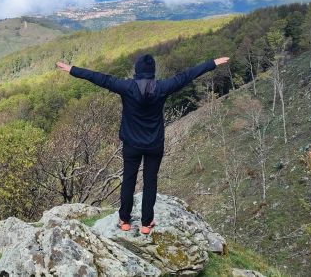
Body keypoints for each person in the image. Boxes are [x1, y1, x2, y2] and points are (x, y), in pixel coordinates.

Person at [56, 54, 228, 234]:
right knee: (150, 182)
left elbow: (98, 77)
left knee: (129, 181)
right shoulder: (162, 87)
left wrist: (72, 69)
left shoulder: (127, 87)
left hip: (131, 144)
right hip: (154, 144)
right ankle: (146, 223)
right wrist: (212, 63)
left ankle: (124, 221)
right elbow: (187, 75)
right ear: (152, 72)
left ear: (137, 71)